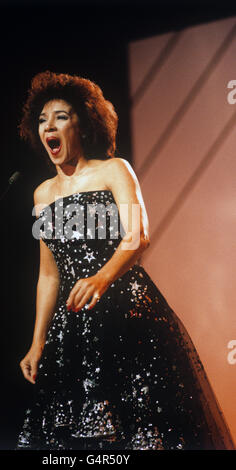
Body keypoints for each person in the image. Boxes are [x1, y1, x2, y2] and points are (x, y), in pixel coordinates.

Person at [15, 70, 235, 450]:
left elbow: (137, 235)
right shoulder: (41, 195)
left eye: (61, 117)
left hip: (124, 313)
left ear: (82, 125)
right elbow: (48, 276)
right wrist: (37, 344)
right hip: (74, 327)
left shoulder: (114, 170)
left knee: (142, 430)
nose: (49, 126)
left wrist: (100, 279)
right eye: (41, 120)